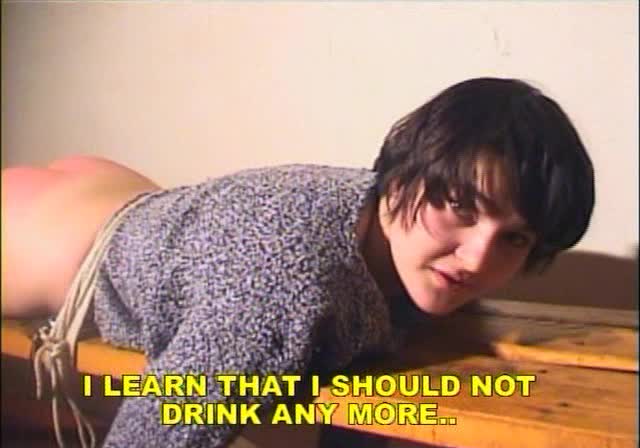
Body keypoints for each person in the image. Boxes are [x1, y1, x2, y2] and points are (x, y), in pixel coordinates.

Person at [1, 77, 595, 447]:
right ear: (402, 177)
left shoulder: (393, 229)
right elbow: (147, 437)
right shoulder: (282, 292)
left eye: (514, 239)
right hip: (35, 241)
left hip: (125, 196)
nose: (477, 258)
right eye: (461, 206)